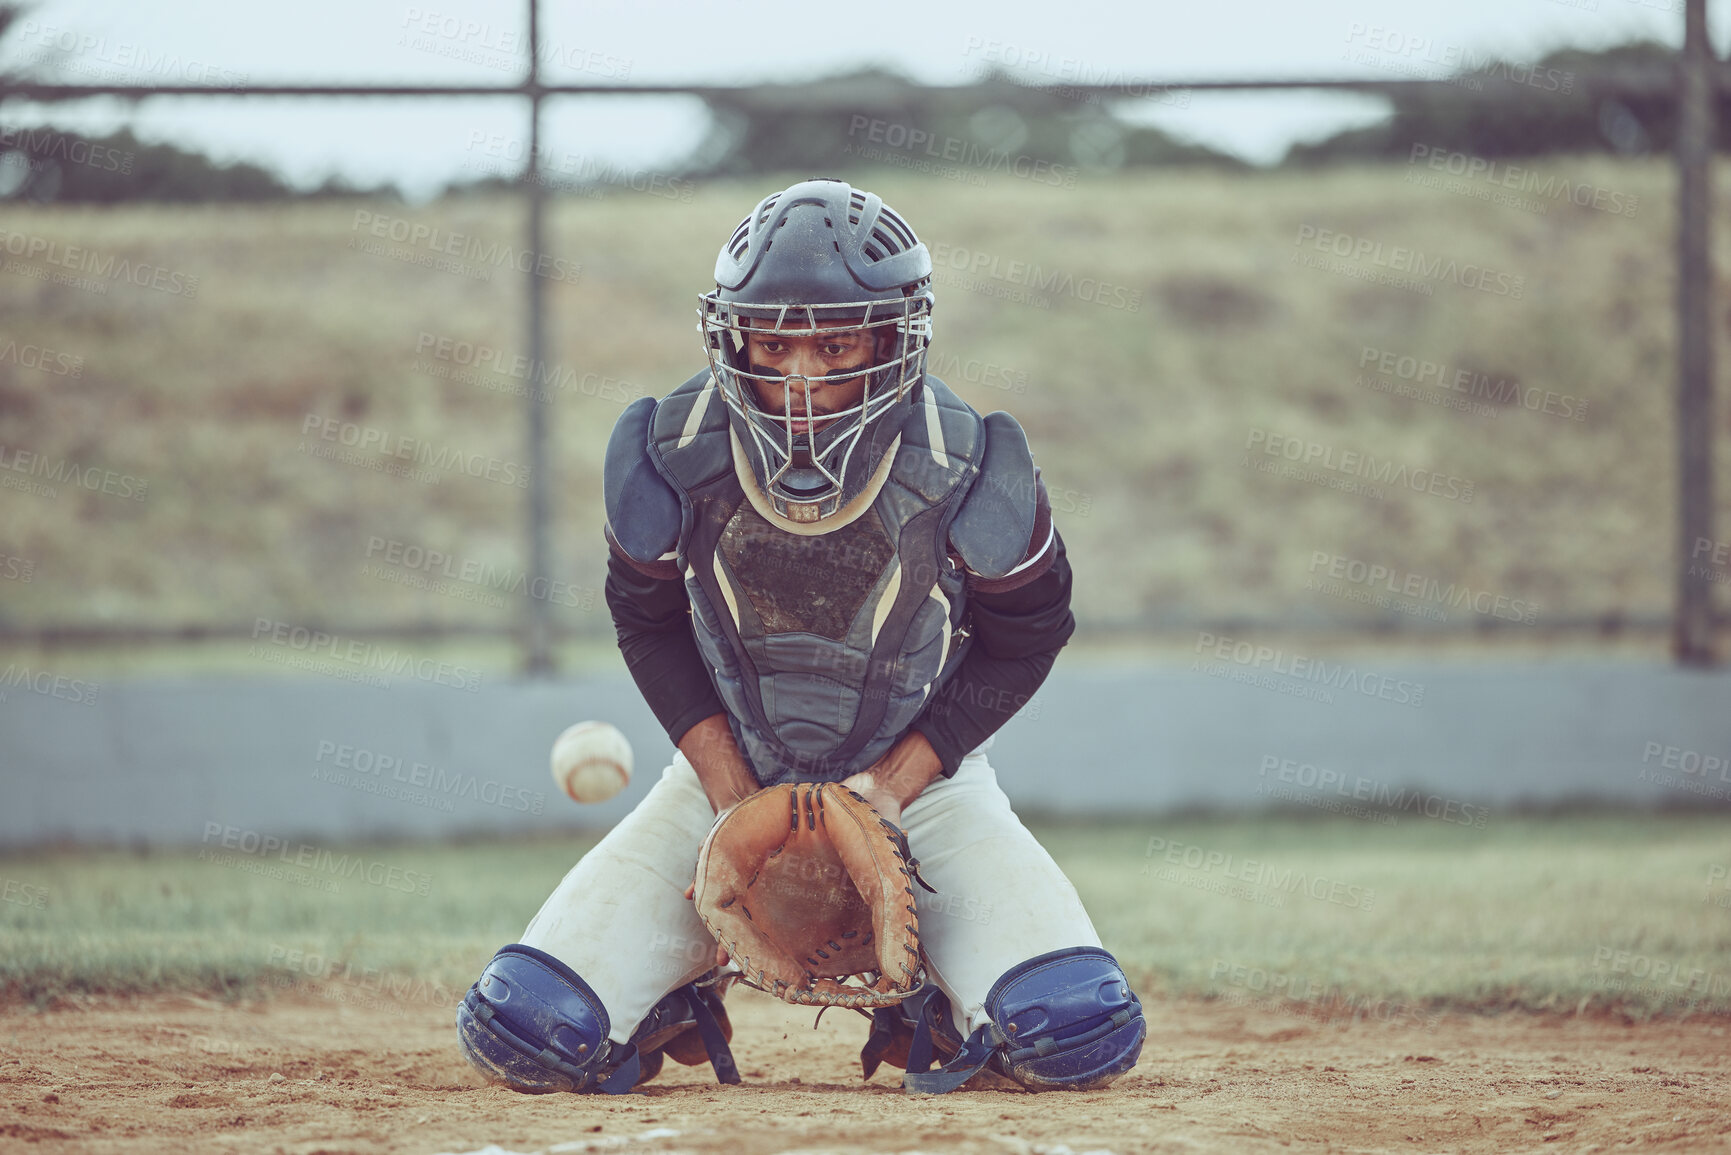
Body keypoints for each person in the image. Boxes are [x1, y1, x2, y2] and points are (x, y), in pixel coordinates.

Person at [455, 178, 1145, 1095]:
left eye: (835, 343)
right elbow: (648, 620)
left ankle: (928, 1003)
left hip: (917, 785)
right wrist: (729, 795)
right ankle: (674, 991)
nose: (800, 377)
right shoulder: (670, 451)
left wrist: (891, 791)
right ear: (730, 336)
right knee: (526, 1029)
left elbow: (1028, 636)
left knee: (1075, 1031)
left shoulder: (972, 464)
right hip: (729, 771)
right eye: (772, 343)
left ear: (896, 338)